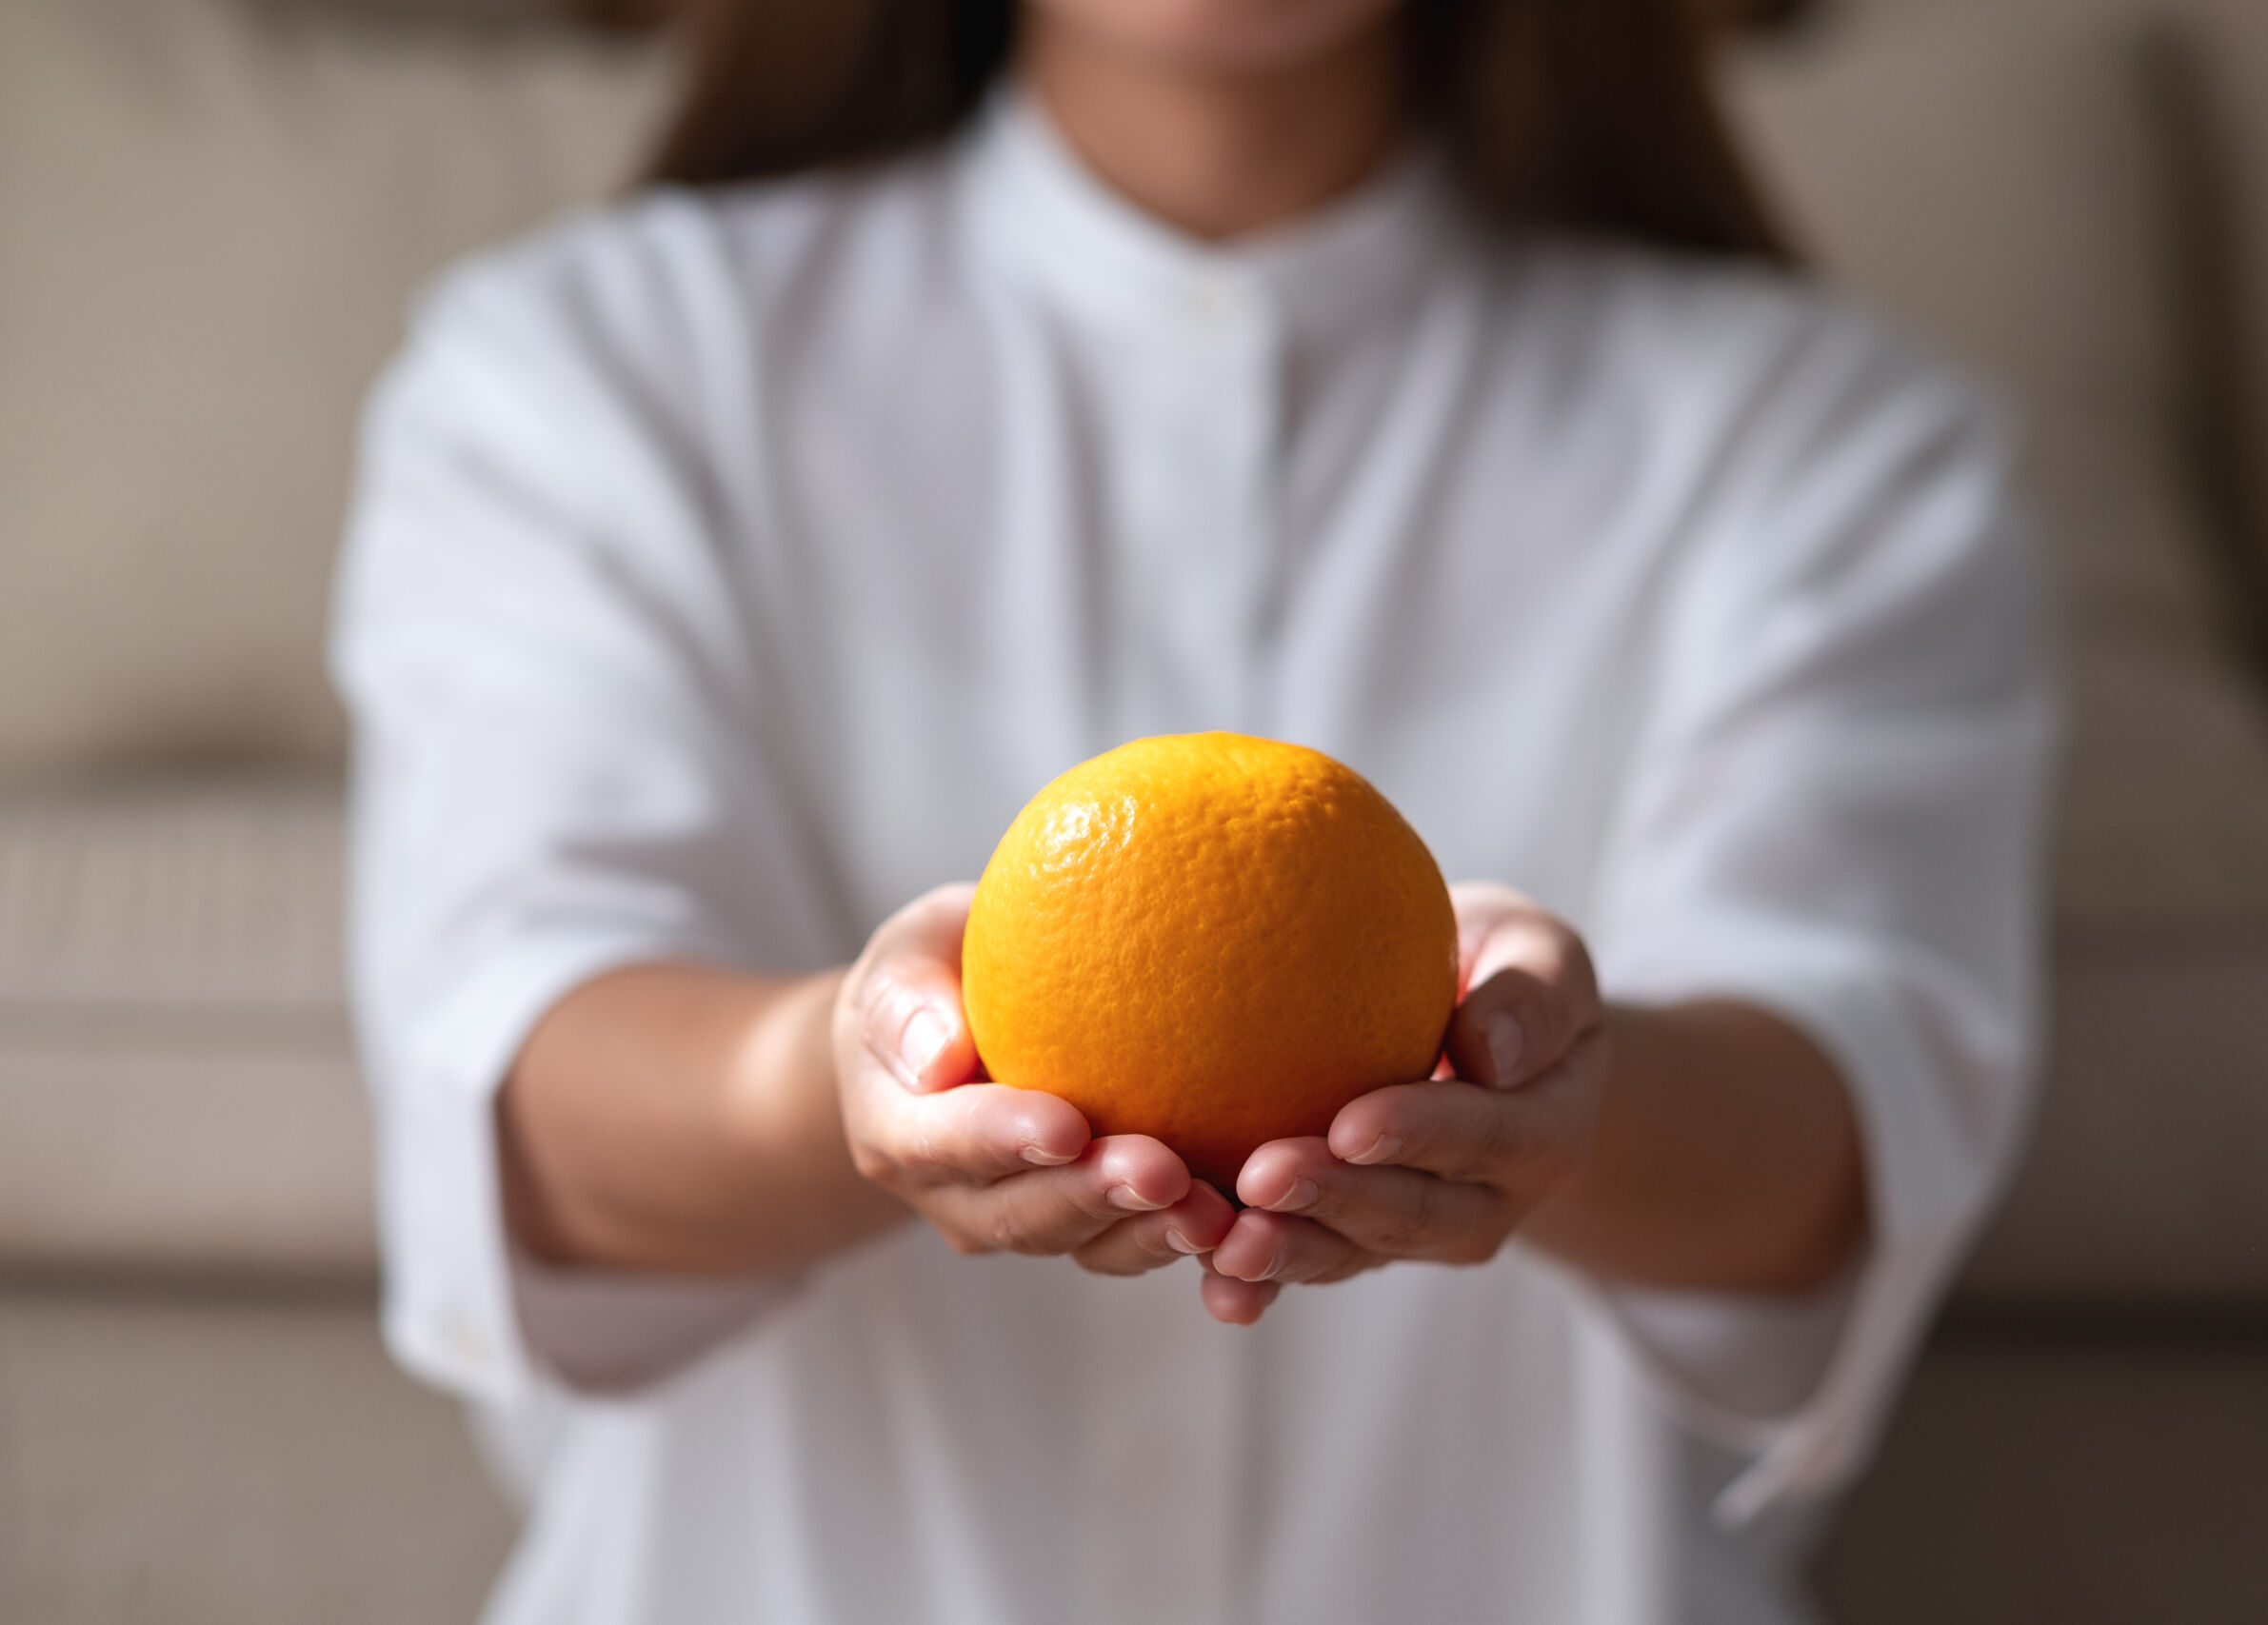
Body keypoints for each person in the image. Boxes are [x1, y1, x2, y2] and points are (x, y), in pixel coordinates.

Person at [331, 0, 2051, 1619]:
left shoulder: (1829, 441)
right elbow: (523, 1087)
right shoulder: (594, 367)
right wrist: (865, 1073)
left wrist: (1564, 1093)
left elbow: (1844, 1138)